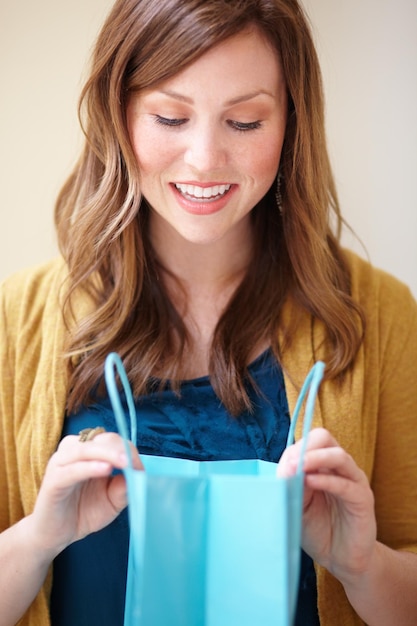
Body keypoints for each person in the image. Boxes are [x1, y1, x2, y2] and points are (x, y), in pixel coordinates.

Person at [0, 0, 416, 624]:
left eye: (244, 122)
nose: (204, 159)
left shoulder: (379, 314)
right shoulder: (18, 320)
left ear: (292, 124)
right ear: (118, 117)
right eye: (170, 116)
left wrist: (362, 565)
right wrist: (37, 540)